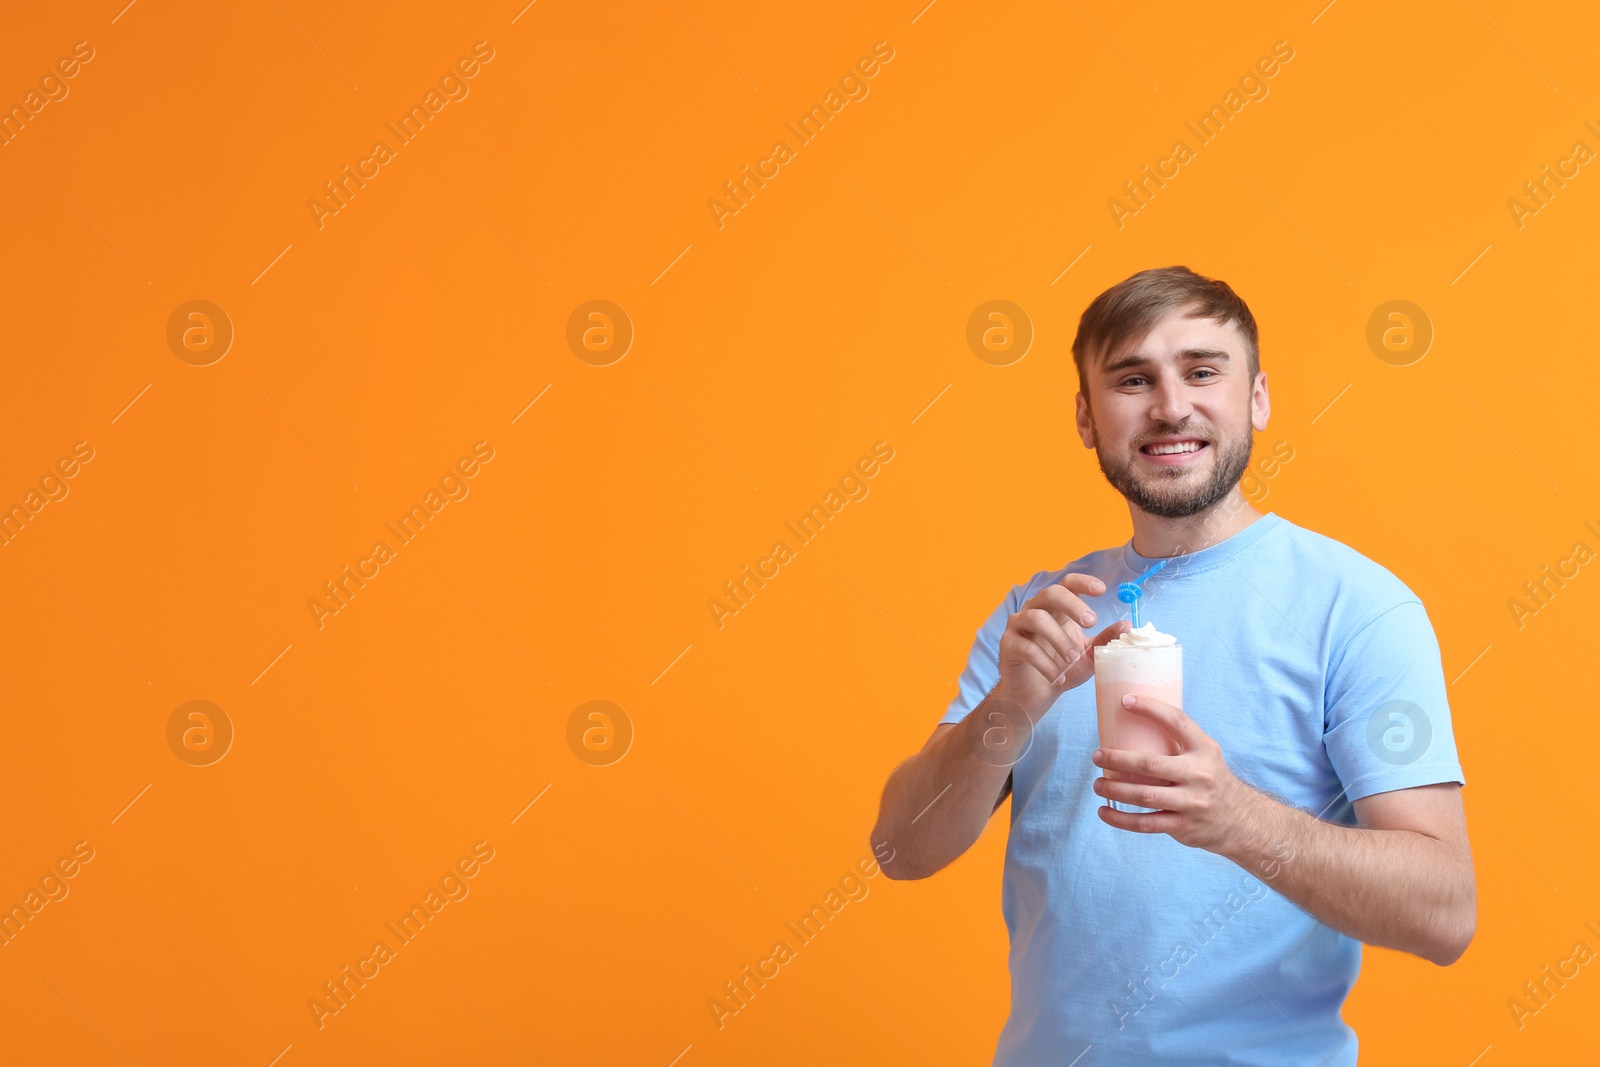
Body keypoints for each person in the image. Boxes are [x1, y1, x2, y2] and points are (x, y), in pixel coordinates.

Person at [868, 265, 1474, 1065]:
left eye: (1202, 370)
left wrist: (1236, 817)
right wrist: (1008, 708)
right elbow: (898, 851)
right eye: (1131, 378)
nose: (1170, 406)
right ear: (1087, 417)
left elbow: (1444, 912)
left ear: (1256, 398)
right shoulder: (1042, 613)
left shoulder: (1357, 608)